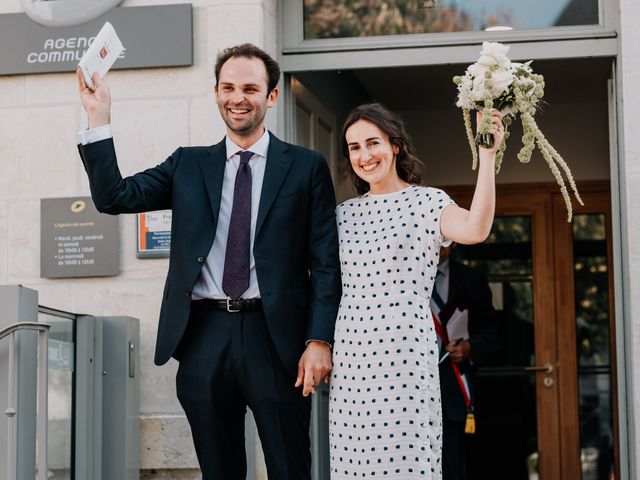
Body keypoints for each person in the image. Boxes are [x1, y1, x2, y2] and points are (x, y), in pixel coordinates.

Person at [76, 43, 341, 480]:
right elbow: (113, 197)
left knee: (289, 465)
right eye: (229, 87)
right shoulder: (187, 164)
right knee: (219, 470)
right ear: (216, 93)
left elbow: (326, 264)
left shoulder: (306, 168)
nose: (239, 97)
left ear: (271, 97)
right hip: (204, 335)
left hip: (276, 339)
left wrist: (319, 340)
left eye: (251, 88)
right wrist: (97, 116)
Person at [328, 102, 504, 479]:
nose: (364, 155)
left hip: (405, 355)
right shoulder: (342, 215)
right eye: (354, 148)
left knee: (407, 463)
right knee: (354, 465)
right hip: (351, 359)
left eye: (372, 143)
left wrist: (487, 156)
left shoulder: (427, 202)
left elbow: (475, 230)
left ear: (394, 145)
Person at [431, 243, 500, 480]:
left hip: (454, 388)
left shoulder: (472, 279)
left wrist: (470, 347)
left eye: (445, 240)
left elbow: (492, 332)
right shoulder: (402, 276)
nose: (439, 245)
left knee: (453, 467)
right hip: (411, 386)